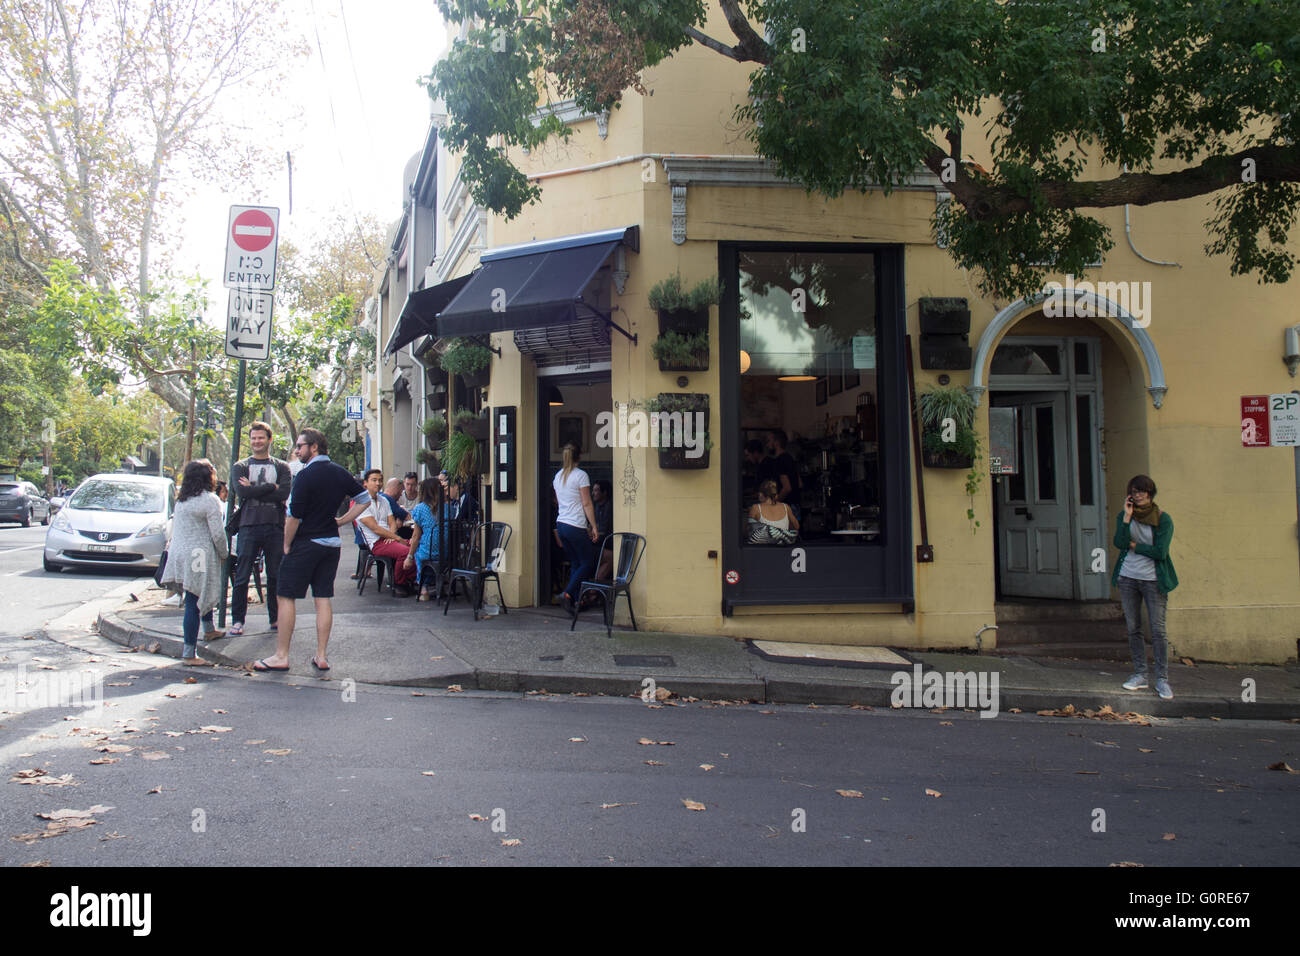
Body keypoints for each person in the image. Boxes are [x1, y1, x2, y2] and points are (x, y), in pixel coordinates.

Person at [252, 429, 370, 673]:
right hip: (331, 544)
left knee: (285, 596)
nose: (297, 450)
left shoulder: (305, 476)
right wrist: (342, 520)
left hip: (306, 543)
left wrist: (286, 544)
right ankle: (322, 655)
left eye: (300, 446)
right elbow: (364, 499)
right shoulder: (339, 472)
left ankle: (281, 655)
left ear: (313, 447)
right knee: (323, 598)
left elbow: (294, 516)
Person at [1113, 474, 1178, 700]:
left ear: (1150, 493)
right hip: (1128, 577)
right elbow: (1119, 543)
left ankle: (1162, 679)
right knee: (1133, 628)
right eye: (1135, 491)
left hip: (1153, 579)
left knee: (1158, 630)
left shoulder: (1163, 519)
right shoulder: (1125, 516)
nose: (1139, 495)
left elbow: (1160, 552)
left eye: (1143, 491)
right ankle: (1140, 674)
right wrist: (1126, 518)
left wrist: (1134, 545)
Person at [159, 459, 229, 665]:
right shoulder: (210, 500)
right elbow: (217, 534)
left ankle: (209, 630)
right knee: (194, 600)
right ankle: (189, 653)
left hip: (179, 553)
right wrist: (224, 553)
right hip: (198, 555)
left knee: (195, 594)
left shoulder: (182, 500)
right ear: (208, 477)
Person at [228, 421, 292, 636]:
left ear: (269, 439)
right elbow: (242, 493)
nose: (257, 442)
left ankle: (275, 618)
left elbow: (283, 494)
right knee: (242, 575)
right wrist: (269, 487)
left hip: (275, 526)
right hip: (248, 525)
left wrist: (254, 488)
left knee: (276, 575)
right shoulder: (240, 466)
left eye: (261, 438)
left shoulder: (282, 466)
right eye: (253, 438)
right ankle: (237, 621)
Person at [552, 442, 599, 613]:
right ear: (579, 456)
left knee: (575, 562)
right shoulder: (581, 475)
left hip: (561, 524)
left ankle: (574, 601)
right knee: (588, 562)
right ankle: (567, 594)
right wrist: (593, 526)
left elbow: (558, 502)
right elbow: (586, 503)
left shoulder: (558, 476)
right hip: (575, 525)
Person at [355, 469, 416, 595]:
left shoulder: (384, 500)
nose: (378, 483)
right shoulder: (362, 503)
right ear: (366, 483)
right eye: (374, 480)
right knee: (405, 552)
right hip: (376, 542)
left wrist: (392, 536)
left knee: (415, 547)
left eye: (380, 480)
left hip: (389, 538)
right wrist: (397, 538)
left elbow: (392, 522)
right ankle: (398, 583)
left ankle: (409, 579)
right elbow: (375, 528)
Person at [404, 477, 448, 601]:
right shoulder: (448, 508)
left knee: (419, 553)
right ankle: (440, 582)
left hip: (429, 551)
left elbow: (416, 536)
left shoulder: (420, 509)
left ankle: (424, 587)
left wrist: (410, 556)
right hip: (447, 552)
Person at [747, 479, 800, 544]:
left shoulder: (755, 508)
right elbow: (796, 527)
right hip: (783, 549)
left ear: (761, 494)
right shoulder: (785, 507)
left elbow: (748, 531)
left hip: (763, 551)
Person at [764, 429, 801, 517]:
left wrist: (773, 503)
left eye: (769, 441)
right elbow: (800, 484)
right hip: (795, 507)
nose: (767, 445)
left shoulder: (780, 461)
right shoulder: (790, 458)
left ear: (777, 442)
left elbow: (787, 488)